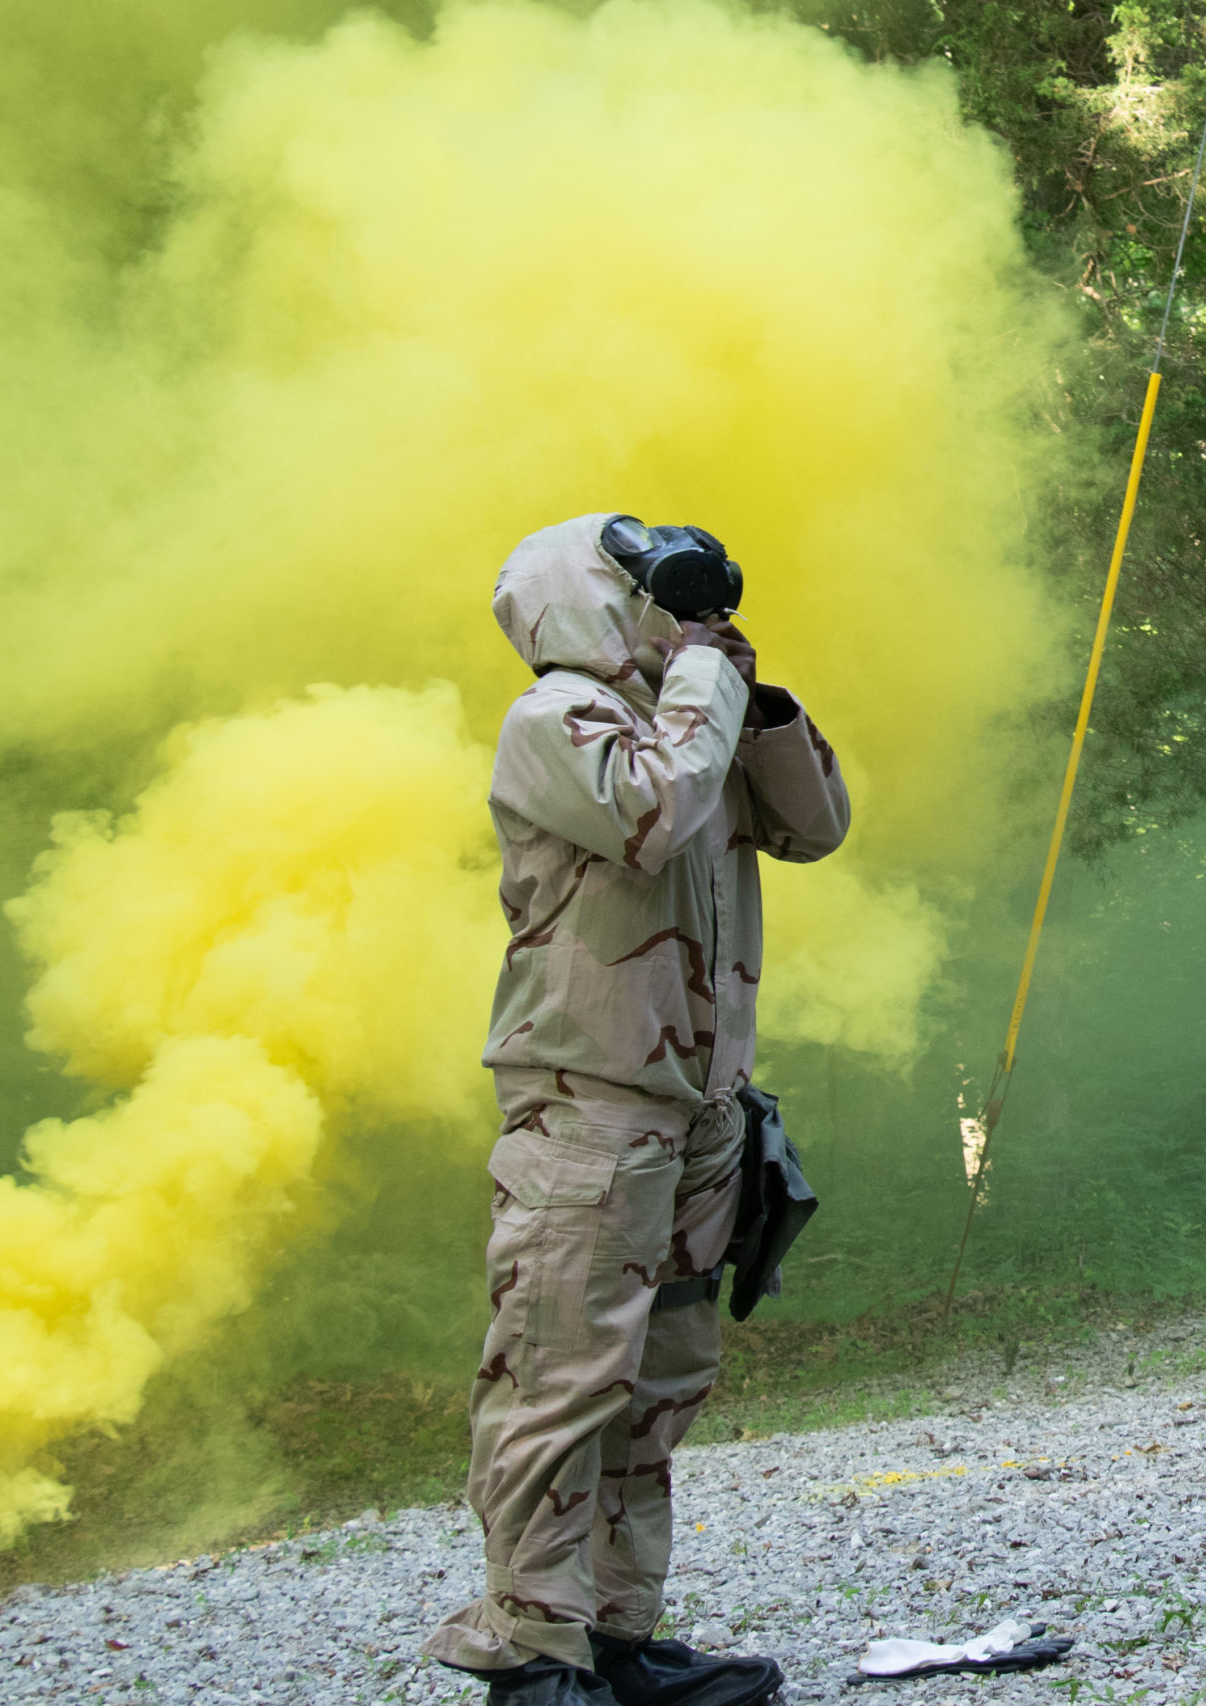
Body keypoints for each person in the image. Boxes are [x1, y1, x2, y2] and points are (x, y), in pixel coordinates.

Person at [423, 515, 851, 1706]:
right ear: (586, 600)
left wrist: (747, 692)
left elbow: (814, 827)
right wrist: (705, 674)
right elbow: (655, 812)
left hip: (697, 1115)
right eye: (643, 581)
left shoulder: (694, 715)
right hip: (588, 1115)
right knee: (560, 1378)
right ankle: (530, 1652)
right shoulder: (555, 721)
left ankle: (615, 1636)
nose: (671, 604)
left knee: (659, 1377)